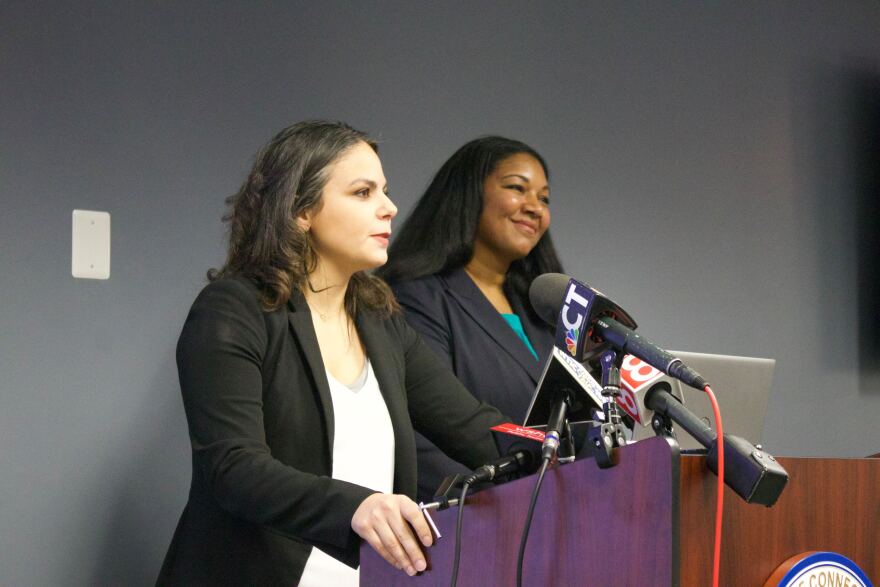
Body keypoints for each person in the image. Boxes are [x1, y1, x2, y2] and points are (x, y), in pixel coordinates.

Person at [157, 121, 507, 585]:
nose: (389, 208)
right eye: (363, 193)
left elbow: (477, 429)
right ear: (301, 210)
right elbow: (234, 468)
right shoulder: (235, 309)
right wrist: (357, 505)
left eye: (384, 191)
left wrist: (576, 443)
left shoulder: (382, 323)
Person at [377, 136, 564, 501]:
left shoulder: (547, 313)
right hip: (473, 523)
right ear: (469, 195)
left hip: (557, 516)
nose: (534, 208)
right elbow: (417, 434)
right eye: (517, 188)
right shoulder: (416, 298)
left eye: (544, 198)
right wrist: (494, 502)